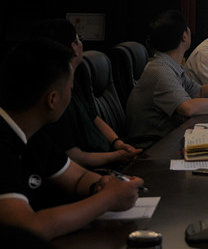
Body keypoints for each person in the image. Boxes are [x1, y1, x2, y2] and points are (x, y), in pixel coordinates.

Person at [0, 38, 142, 240]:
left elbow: (78, 177)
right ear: (52, 99)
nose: (71, 94)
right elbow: (27, 228)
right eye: (70, 87)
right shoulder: (4, 143)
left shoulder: (33, 134)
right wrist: (108, 198)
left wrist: (107, 183)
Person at [126, 10, 208, 138]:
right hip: (154, 145)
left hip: (168, 137)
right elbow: (188, 108)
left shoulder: (171, 66)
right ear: (184, 36)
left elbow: (200, 92)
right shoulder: (161, 71)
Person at [33, 19, 142, 167]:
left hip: (110, 156)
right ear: (74, 47)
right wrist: (117, 156)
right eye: (79, 39)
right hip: (96, 168)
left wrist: (117, 143)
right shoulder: (56, 97)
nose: (81, 43)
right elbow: (73, 157)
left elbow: (93, 116)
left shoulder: (73, 82)